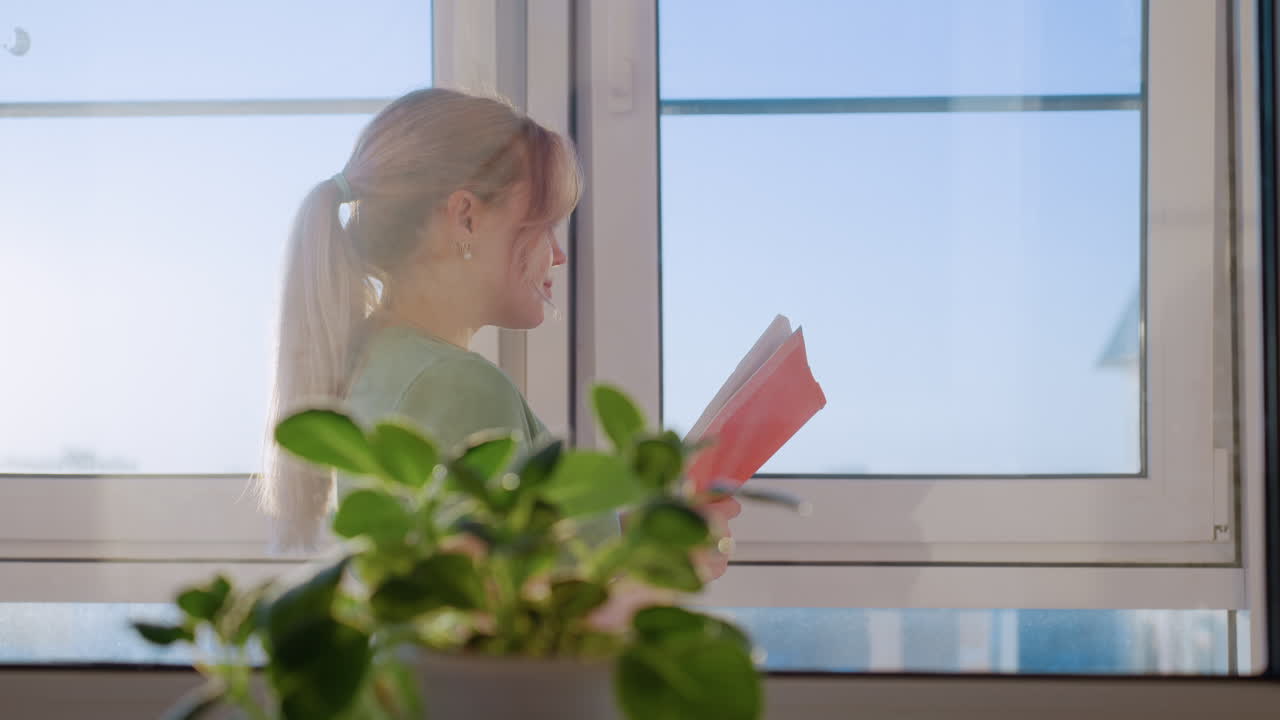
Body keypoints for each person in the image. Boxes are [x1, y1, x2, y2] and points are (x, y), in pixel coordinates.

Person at [256, 87, 737, 574]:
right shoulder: (452, 384)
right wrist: (661, 564)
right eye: (542, 225)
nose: (559, 254)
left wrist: (628, 532)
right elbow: (496, 626)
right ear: (466, 218)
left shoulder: (376, 358)